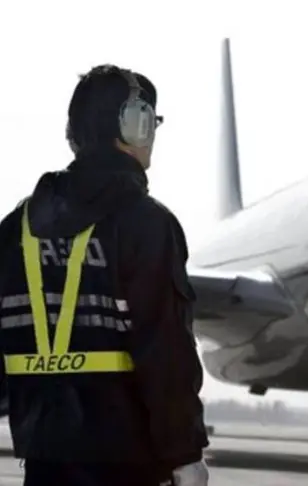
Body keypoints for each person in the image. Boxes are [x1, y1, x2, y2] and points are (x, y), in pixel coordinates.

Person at [0, 64, 209, 485]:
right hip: (128, 465)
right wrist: (185, 454)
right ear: (133, 125)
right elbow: (165, 348)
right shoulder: (146, 224)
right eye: (150, 122)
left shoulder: (14, 228)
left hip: (43, 464)